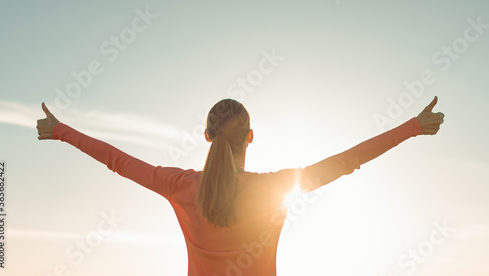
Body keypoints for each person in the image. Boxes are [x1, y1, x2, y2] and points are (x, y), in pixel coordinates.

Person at [36, 97, 444, 276]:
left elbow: (118, 161)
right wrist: (412, 127)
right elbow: (345, 161)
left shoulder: (179, 185)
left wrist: (60, 131)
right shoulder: (275, 189)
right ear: (250, 137)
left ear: (207, 136)